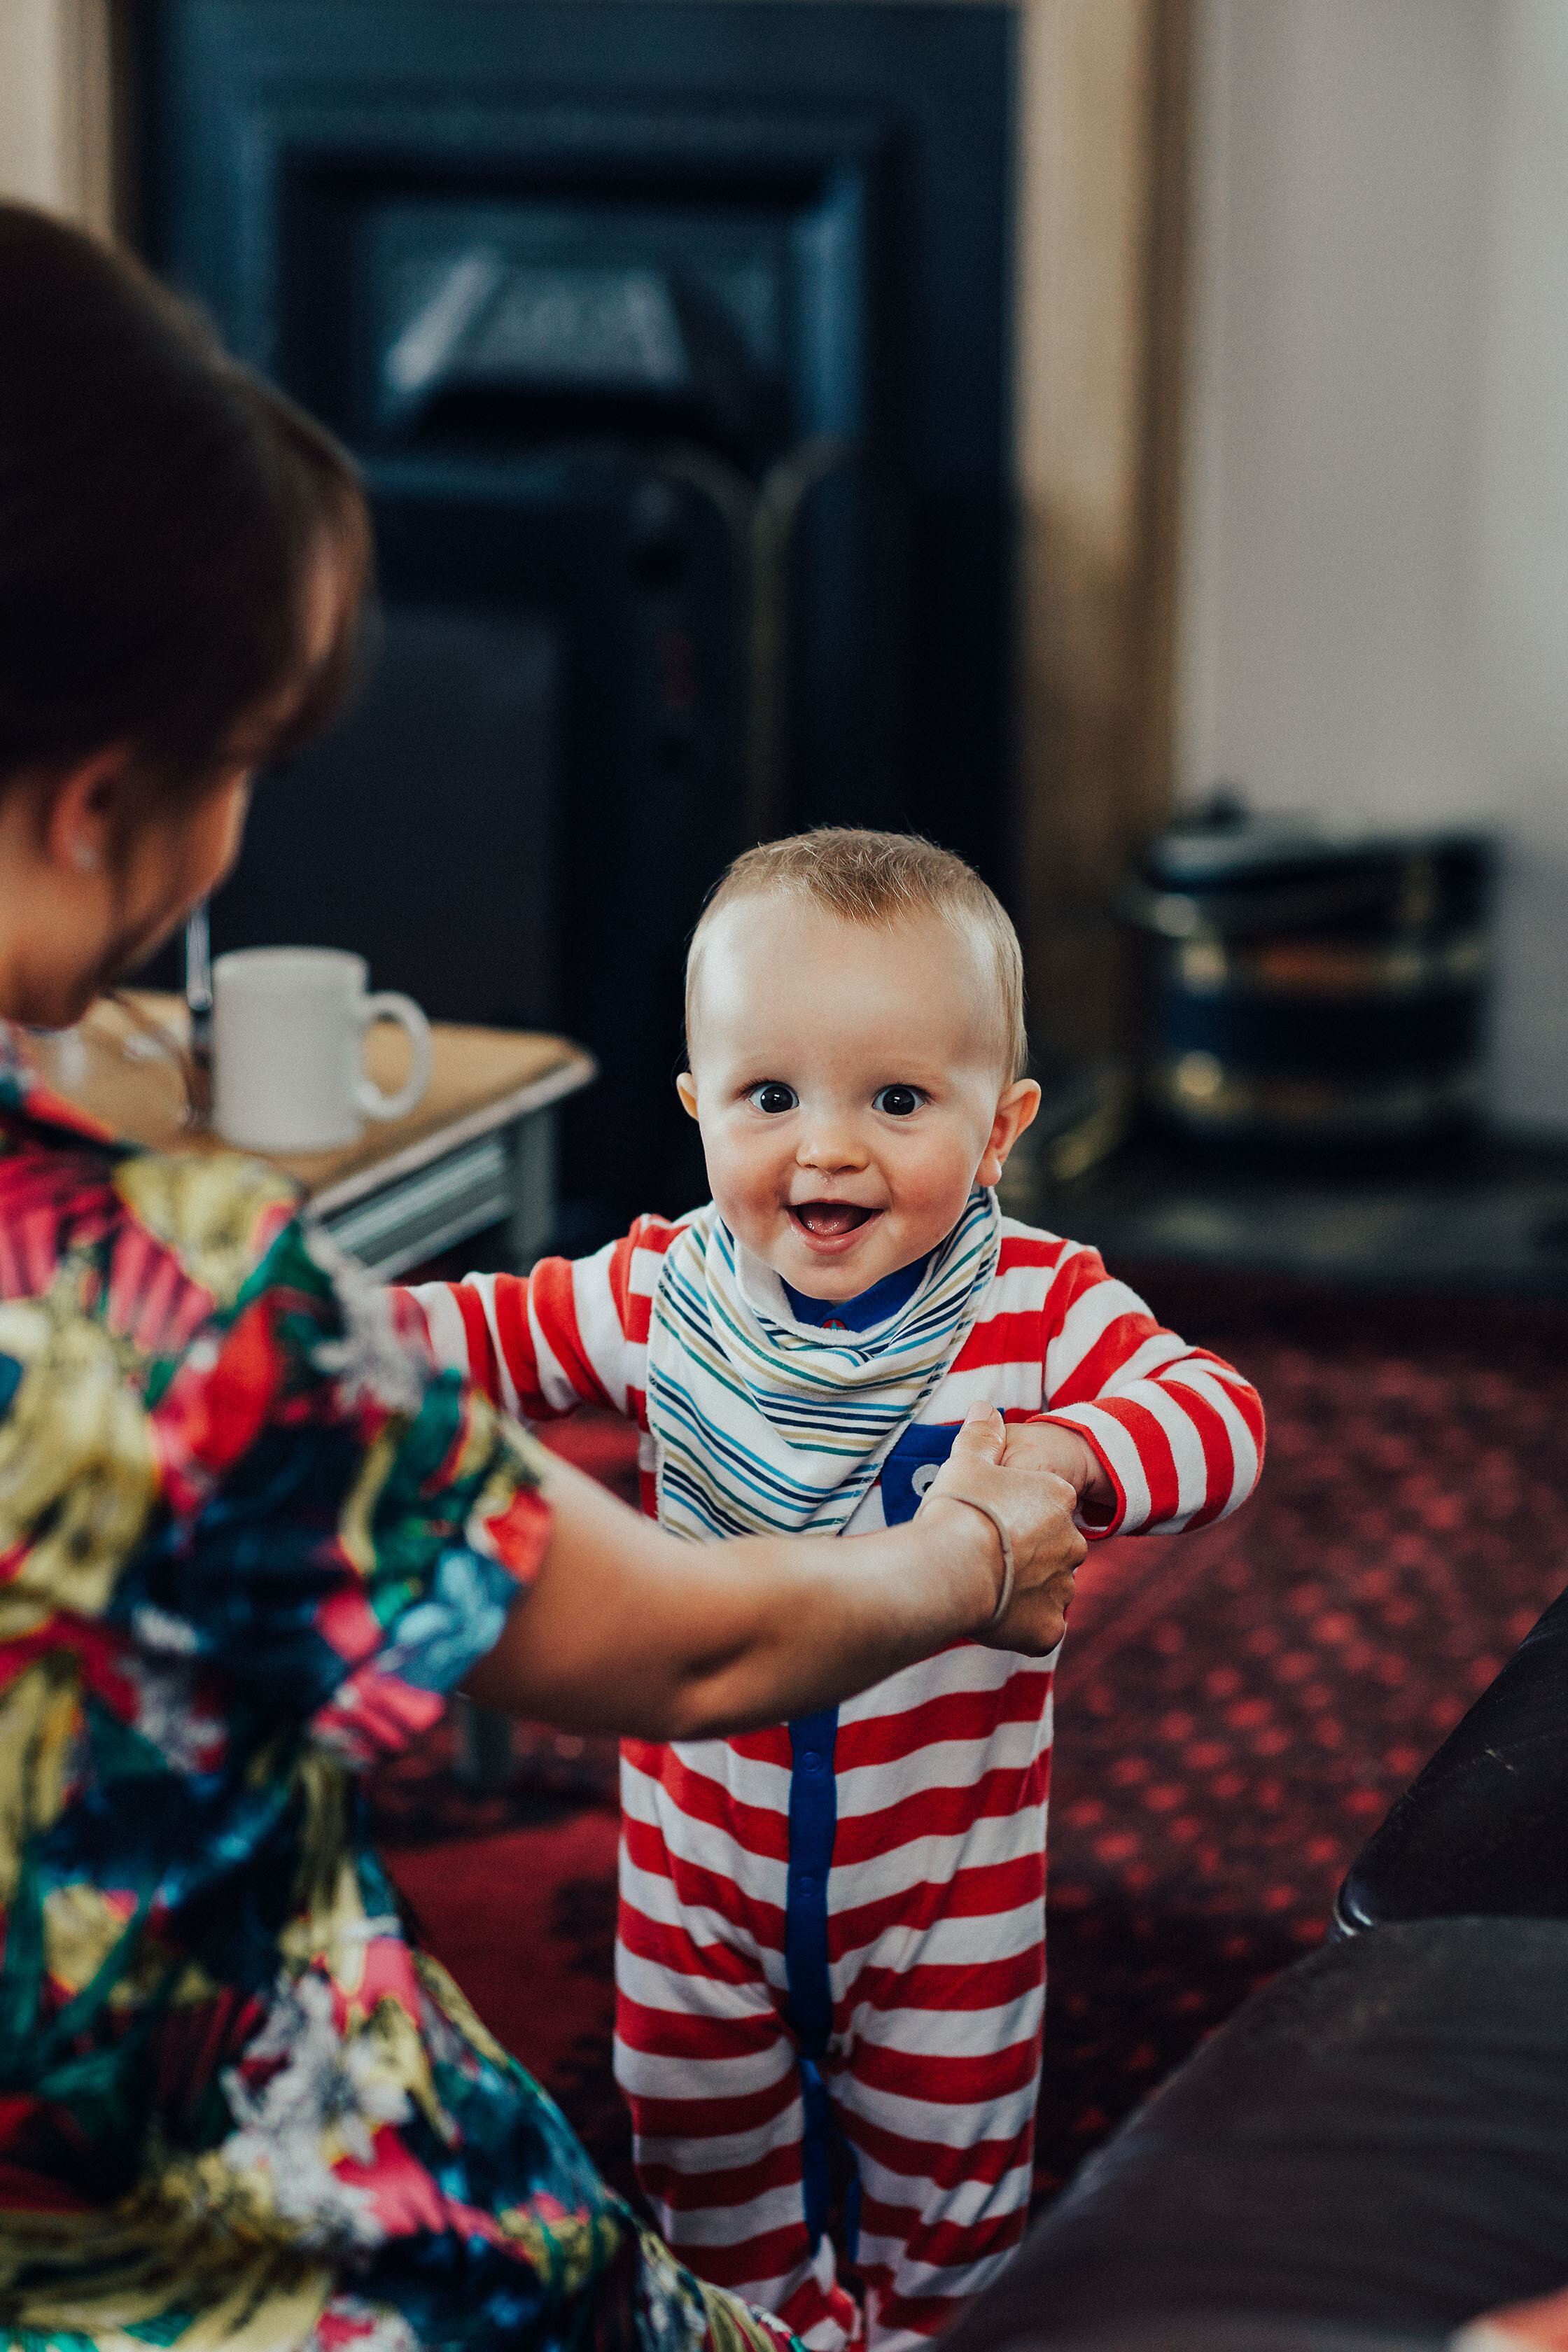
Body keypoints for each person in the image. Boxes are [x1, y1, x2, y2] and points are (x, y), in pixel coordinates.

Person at [0, 202, 1089, 2352]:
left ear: (1000, 1119)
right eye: (249, 762)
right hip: (244, 2261)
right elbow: (681, 1652)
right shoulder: (165, 1310)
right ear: (97, 803)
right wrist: (976, 1551)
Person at [401, 830, 1268, 2351]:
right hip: (690, 1884)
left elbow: (1222, 1419)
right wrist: (276, 1327)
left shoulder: (1040, 1305)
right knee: (705, 2188)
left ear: (998, 1128)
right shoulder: (660, 1290)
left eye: (895, 1100)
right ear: (696, 1109)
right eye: (769, 1097)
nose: (826, 1150)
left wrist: (1068, 1451)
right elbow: (468, 1335)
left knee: (951, 2224)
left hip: (943, 1894)